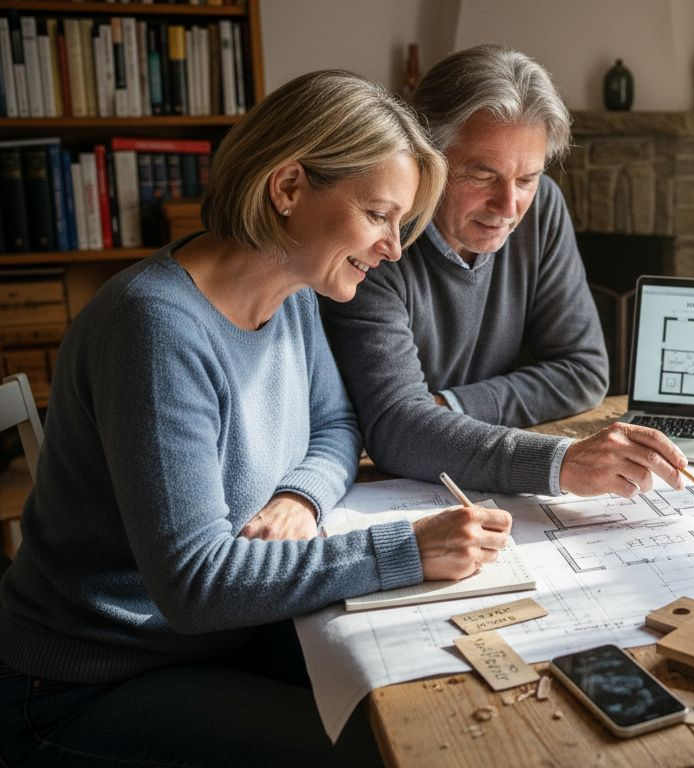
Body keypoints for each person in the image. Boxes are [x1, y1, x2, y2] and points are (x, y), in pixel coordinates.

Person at [0, 70, 505, 767]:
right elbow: (197, 586)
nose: (394, 247)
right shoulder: (155, 327)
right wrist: (406, 550)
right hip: (87, 681)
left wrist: (298, 495)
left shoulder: (293, 290)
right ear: (289, 188)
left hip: (222, 637)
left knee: (433, 699)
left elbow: (336, 428)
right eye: (379, 215)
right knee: (384, 752)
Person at [320, 45, 687, 500]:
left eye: (527, 178)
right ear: (424, 157)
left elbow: (583, 370)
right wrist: (561, 462)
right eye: (482, 175)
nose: (509, 207)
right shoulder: (377, 238)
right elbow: (396, 428)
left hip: (468, 476)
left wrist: (447, 407)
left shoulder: (543, 208)